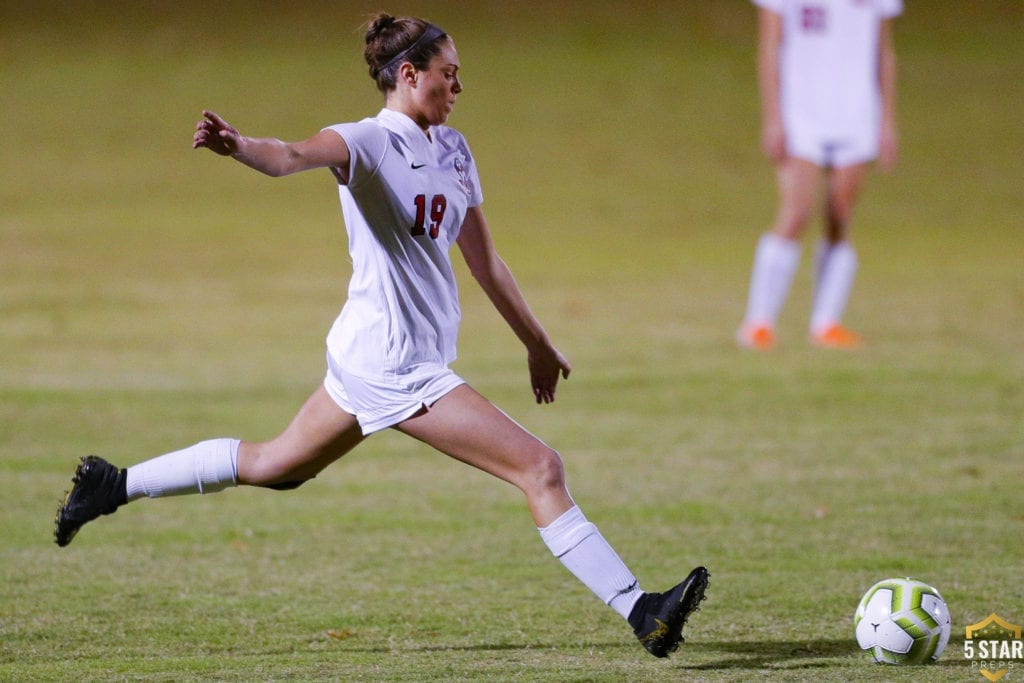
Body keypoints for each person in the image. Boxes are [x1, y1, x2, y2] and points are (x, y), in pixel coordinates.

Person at [54, 13, 708, 658]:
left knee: (275, 465)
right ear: (407, 73)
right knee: (541, 467)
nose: (457, 86)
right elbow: (289, 157)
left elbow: (485, 261)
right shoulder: (365, 142)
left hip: (371, 353)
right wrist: (238, 146)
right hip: (396, 366)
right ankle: (639, 608)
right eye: (447, 74)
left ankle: (113, 484)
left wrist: (535, 342)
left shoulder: (454, 150)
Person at [736, 0, 902, 350]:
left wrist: (886, 120)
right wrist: (773, 117)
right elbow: (769, 46)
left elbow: (883, 51)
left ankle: (826, 322)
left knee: (839, 214)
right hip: (801, 110)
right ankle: (758, 322)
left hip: (856, 110)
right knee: (797, 211)